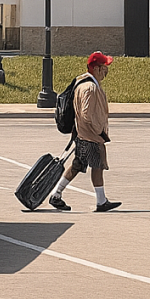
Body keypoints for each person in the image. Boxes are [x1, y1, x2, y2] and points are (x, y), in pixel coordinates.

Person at [48, 51, 120, 212]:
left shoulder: (84, 83)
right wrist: (98, 131)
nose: (106, 71)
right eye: (104, 67)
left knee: (78, 165)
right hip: (91, 136)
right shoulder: (90, 88)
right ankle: (101, 201)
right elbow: (87, 114)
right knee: (97, 165)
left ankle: (56, 194)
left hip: (83, 134)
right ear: (95, 68)